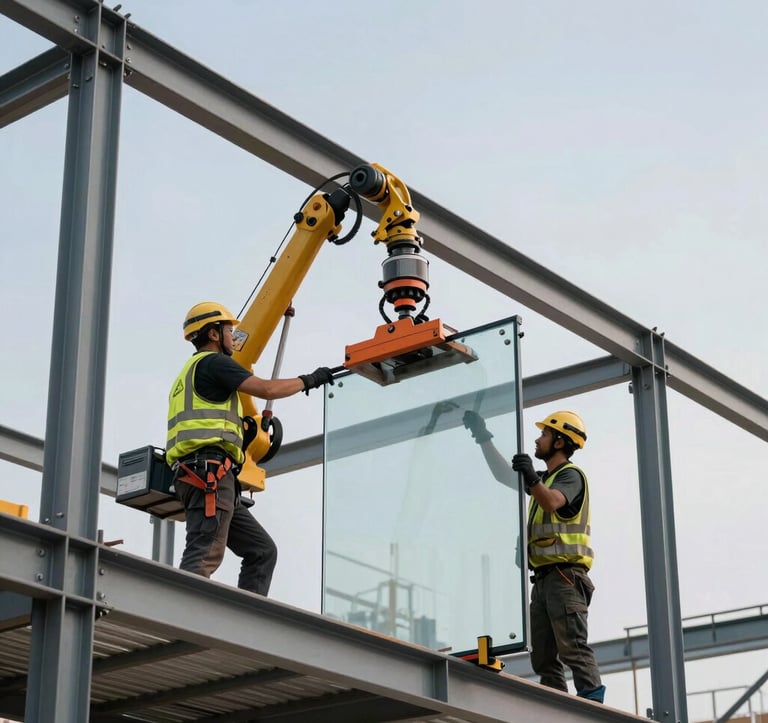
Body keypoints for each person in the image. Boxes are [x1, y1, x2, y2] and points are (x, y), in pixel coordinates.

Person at [165, 301, 334, 596]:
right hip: (209, 475)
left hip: (208, 475)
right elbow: (267, 390)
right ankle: (182, 618)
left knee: (261, 550)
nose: (233, 336)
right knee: (205, 552)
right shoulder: (213, 363)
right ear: (214, 334)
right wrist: (310, 380)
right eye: (230, 330)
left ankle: (246, 620)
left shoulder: (186, 374)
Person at [463, 409, 605, 704]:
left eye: (544, 434)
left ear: (558, 442)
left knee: (572, 649)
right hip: (544, 579)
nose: (538, 439)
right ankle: (556, 707)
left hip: (565, 577)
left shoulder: (570, 476)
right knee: (543, 655)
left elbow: (552, 502)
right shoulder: (545, 479)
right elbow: (504, 475)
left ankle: (595, 708)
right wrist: (482, 436)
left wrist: (531, 476)